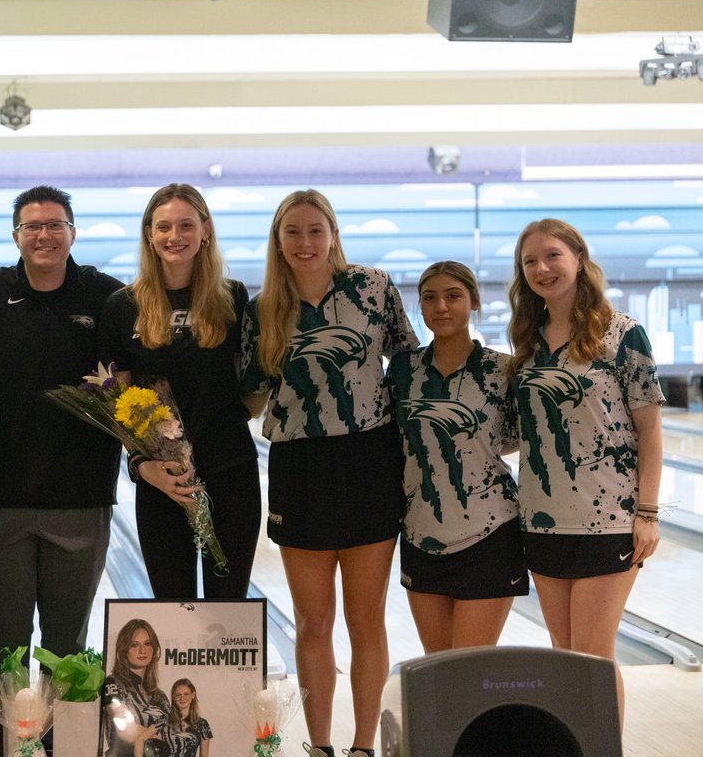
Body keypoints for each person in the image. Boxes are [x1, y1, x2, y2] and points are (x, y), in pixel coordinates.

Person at [240, 190, 417, 757]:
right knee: (313, 623)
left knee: (366, 622)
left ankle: (362, 745)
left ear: (334, 234)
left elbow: (409, 362)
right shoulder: (264, 306)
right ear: (278, 239)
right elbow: (248, 395)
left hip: (368, 457)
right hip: (300, 465)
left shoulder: (373, 288)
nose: (305, 243)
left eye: (316, 231)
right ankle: (319, 745)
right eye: (293, 232)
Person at [507, 218, 663, 724]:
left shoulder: (622, 333)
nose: (541, 268)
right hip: (543, 517)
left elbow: (650, 431)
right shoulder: (528, 341)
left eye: (552, 255)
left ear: (578, 256)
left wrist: (648, 512)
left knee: (592, 656)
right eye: (530, 261)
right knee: (563, 652)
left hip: (609, 518)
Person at [0, 185, 123, 658]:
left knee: (66, 649)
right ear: (16, 237)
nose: (44, 235)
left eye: (55, 225)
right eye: (33, 226)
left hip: (80, 500)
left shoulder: (106, 296)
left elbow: (139, 380)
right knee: (3, 648)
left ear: (73, 233)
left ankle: (61, 737)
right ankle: (12, 736)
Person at [98, 183, 260, 599]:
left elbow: (252, 384)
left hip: (230, 473)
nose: (175, 237)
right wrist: (142, 465)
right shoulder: (123, 306)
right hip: (162, 481)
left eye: (186, 225)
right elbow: (118, 400)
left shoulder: (232, 298)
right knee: (172, 612)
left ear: (205, 230)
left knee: (229, 611)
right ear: (149, 234)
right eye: (164, 227)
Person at [387, 262, 524, 654]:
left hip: (491, 533)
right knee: (438, 668)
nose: (441, 306)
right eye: (429, 297)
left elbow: (515, 438)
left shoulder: (502, 369)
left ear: (474, 302)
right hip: (421, 533)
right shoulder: (403, 370)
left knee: (470, 669)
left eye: (453, 296)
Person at [102, 619, 171, 757]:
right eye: (134, 645)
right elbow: (125, 729)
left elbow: (172, 736)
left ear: (154, 649)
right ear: (123, 650)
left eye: (147, 644)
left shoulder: (160, 697)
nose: (142, 650)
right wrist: (156, 738)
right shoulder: (113, 683)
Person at [164, 679, 212, 757]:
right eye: (178, 695)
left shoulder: (202, 724)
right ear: (173, 697)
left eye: (186, 694)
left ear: (193, 695)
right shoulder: (164, 721)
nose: (182, 698)